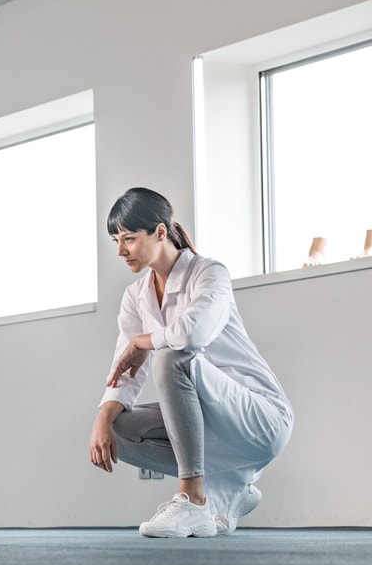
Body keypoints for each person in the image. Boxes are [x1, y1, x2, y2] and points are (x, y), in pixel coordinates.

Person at [89, 187, 294, 537]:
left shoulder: (209, 273)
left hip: (260, 417)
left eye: (128, 238)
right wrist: (103, 416)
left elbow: (192, 335)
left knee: (171, 357)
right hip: (206, 422)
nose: (121, 251)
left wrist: (143, 341)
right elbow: (126, 369)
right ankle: (231, 487)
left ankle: (194, 499)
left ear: (159, 232)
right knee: (117, 430)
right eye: (115, 241)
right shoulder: (135, 296)